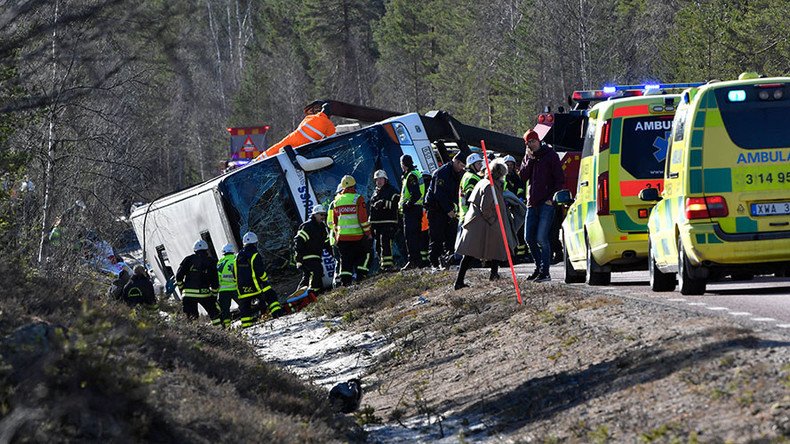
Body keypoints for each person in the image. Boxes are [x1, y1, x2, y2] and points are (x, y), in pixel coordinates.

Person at [454, 159, 518, 290]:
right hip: (483, 225)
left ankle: (492, 275)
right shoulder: (490, 186)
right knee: (472, 253)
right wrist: (493, 221)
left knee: (493, 249)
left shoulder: (485, 182)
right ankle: (459, 281)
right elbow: (485, 207)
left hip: (479, 224)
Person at [519, 129, 565, 282]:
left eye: (533, 141)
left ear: (538, 140)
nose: (531, 144)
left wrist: (551, 198)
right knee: (528, 238)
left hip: (546, 203)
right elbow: (523, 176)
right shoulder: (528, 157)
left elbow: (560, 179)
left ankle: (545, 271)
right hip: (532, 203)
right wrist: (530, 160)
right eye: (528, 143)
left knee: (541, 238)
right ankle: (539, 268)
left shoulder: (550, 155)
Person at [328, 175, 373, 286]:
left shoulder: (336, 201)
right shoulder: (358, 198)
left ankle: (345, 283)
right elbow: (363, 219)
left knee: (345, 261)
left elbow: (334, 222)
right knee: (364, 255)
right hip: (357, 236)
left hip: (342, 238)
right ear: (354, 185)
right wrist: (368, 234)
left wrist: (337, 236)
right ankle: (360, 277)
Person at [235, 231, 284, 328]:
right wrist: (265, 278)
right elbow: (259, 271)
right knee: (271, 295)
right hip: (257, 286)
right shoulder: (255, 254)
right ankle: (278, 314)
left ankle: (246, 325)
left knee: (245, 307)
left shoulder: (237, 256)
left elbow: (234, 272)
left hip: (242, 289)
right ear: (255, 243)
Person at [424, 152, 465, 269]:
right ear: (456, 162)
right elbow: (439, 193)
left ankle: (448, 260)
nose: (462, 168)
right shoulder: (441, 173)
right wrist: (448, 210)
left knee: (451, 235)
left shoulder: (458, 173)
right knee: (436, 237)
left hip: (449, 210)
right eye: (461, 165)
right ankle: (434, 263)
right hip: (435, 209)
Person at [256, 101, 335, 159]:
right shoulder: (329, 124)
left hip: (293, 142)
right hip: (304, 151)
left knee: (277, 148)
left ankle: (258, 160)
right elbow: (333, 139)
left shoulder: (310, 118)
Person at [175, 239, 222, 326]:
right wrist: (214, 296)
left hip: (188, 295)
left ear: (194, 250)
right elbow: (215, 281)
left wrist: (182, 289)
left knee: (192, 320)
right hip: (204, 294)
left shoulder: (188, 259)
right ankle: (221, 333)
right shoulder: (211, 262)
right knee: (215, 314)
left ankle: (196, 337)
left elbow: (178, 276)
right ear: (206, 249)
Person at [369, 170, 400, 272]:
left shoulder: (392, 190)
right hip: (377, 224)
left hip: (388, 221)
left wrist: (384, 203)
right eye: (377, 179)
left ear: (385, 180)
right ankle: (383, 265)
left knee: (386, 242)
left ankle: (389, 265)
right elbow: (372, 209)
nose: (379, 181)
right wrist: (371, 224)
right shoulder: (374, 192)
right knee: (378, 245)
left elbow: (397, 204)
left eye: (381, 179)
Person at [294, 205, 331, 292]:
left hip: (316, 256)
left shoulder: (322, 228)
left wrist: (334, 254)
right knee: (316, 271)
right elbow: (298, 240)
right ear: (315, 214)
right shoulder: (307, 226)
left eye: (324, 215)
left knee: (308, 276)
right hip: (306, 256)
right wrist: (299, 258)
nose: (323, 217)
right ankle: (313, 292)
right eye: (321, 215)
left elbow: (326, 244)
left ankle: (299, 295)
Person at [398, 154, 426, 270]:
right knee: (415, 236)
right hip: (416, 209)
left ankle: (413, 261)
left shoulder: (411, 176)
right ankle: (417, 261)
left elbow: (416, 194)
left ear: (403, 164)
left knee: (411, 236)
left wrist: (407, 204)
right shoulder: (414, 174)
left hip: (412, 210)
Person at [503, 154, 529, 262]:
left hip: (517, 205)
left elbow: (521, 188)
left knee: (520, 230)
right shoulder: (503, 178)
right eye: (507, 165)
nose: (509, 167)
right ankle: (512, 255)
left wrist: (520, 198)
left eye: (511, 165)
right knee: (510, 230)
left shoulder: (517, 177)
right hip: (507, 206)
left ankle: (522, 254)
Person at [216, 243, 238, 328]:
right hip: (235, 288)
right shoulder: (235, 259)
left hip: (223, 291)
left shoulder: (220, 263)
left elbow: (218, 277)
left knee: (225, 310)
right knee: (244, 305)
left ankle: (227, 326)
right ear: (232, 251)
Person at [458, 153, 484, 221]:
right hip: (470, 215)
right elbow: (470, 199)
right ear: (472, 165)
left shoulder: (467, 175)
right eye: (478, 163)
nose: (481, 165)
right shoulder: (472, 179)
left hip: (465, 214)